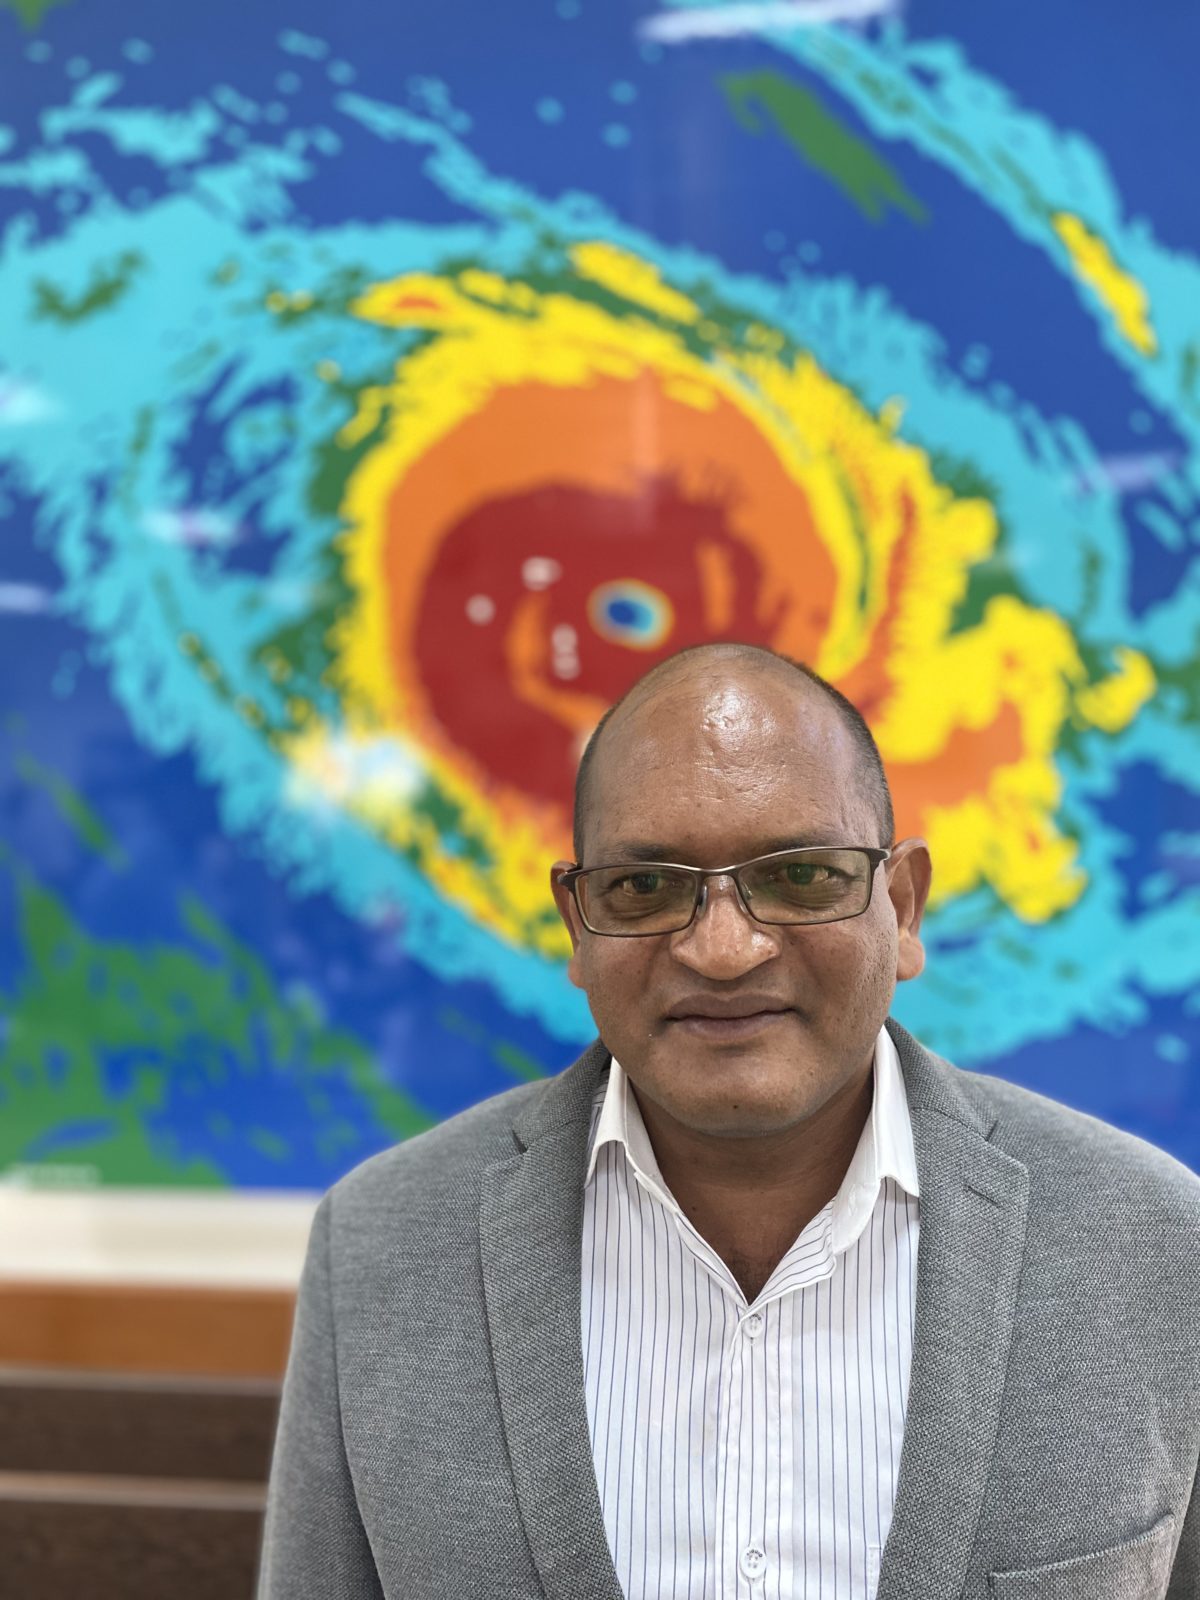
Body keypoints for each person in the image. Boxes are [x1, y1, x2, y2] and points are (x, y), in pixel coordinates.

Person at [257, 642, 1199, 1600]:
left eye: (800, 876)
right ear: (577, 925)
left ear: (903, 907)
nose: (723, 949)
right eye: (646, 887)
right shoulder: (379, 1246)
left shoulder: (1156, 1245)